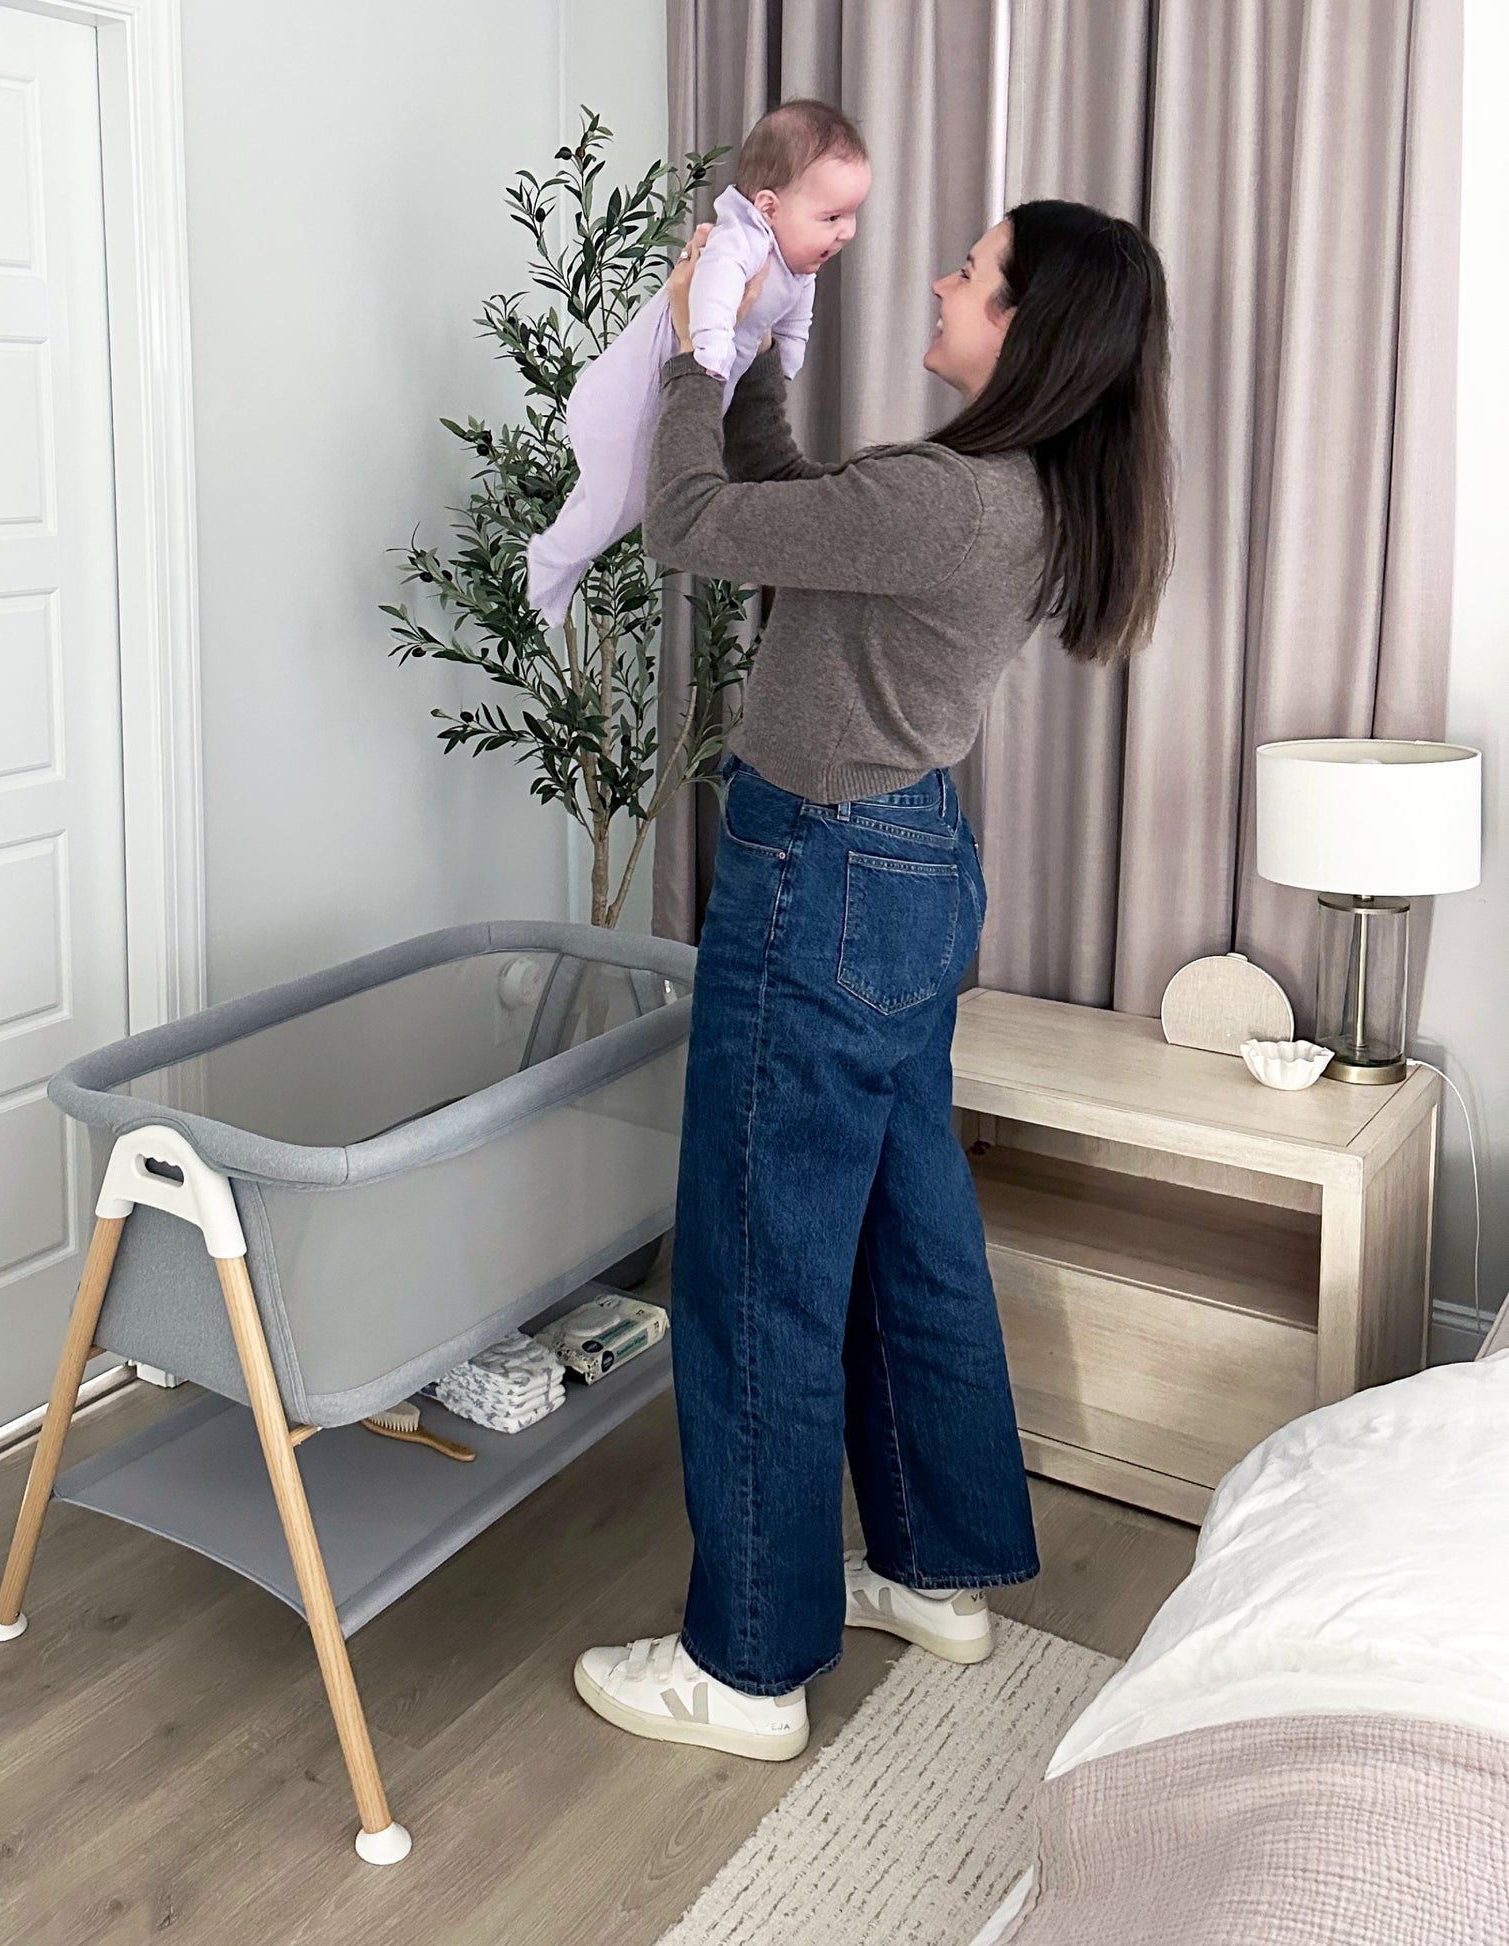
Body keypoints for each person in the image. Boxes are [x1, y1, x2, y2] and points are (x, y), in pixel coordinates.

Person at [574, 200, 1174, 1762]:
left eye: (971, 273)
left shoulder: (945, 497)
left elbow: (692, 525)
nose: (940, 279)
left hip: (817, 876)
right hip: (905, 874)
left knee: (758, 1262)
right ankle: (933, 1563)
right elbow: (789, 511)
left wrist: (702, 345)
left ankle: (746, 1666)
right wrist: (773, 350)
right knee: (911, 1234)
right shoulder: (1009, 493)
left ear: (1023, 328)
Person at [523, 100, 871, 628]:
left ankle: (555, 565)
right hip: (626, 401)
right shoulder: (742, 238)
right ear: (770, 207)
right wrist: (706, 351)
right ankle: (547, 566)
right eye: (831, 217)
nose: (844, 232)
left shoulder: (798, 263)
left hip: (673, 403)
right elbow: (711, 292)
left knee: (612, 502)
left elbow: (796, 316)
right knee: (613, 508)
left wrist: (785, 362)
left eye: (850, 217)